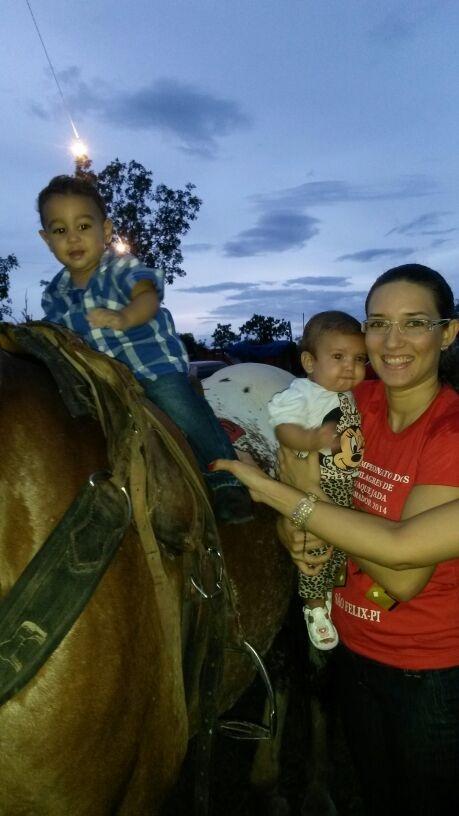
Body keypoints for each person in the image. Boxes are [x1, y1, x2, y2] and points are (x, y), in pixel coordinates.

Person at [211, 263, 459, 816]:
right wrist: (293, 534)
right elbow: (299, 482)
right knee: (376, 791)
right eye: (377, 323)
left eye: (414, 322)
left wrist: (284, 501)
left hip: (428, 672)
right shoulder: (351, 404)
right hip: (354, 648)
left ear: (448, 333)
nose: (391, 342)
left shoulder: (450, 433)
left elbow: (401, 573)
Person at [37, 174, 252, 525]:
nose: (73, 237)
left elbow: (147, 298)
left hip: (150, 366)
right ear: (46, 240)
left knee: (180, 406)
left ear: (105, 231)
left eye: (84, 225)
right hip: (102, 379)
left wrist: (124, 317)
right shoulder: (55, 293)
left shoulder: (120, 268)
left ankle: (226, 477)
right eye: (60, 231)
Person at [267, 311, 366, 649]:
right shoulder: (302, 393)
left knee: (342, 542)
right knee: (315, 542)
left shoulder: (348, 394)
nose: (350, 367)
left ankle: (332, 593)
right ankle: (313, 606)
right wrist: (308, 440)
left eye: (358, 358)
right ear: (309, 361)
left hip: (345, 480)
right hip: (320, 476)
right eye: (338, 357)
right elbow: (283, 426)